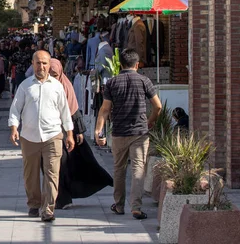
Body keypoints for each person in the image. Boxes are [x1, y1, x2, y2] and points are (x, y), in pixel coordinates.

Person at [95, 49, 162, 220]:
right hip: (140, 132)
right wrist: (151, 120)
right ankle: (136, 207)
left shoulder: (112, 83)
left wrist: (98, 130)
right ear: (137, 64)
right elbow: (158, 106)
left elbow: (105, 109)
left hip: (119, 132)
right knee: (138, 169)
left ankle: (118, 205)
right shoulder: (144, 81)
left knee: (119, 169)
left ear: (120, 64)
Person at [8, 50, 75, 222]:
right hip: (29, 137)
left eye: (45, 63)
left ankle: (48, 209)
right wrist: (14, 128)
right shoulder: (25, 86)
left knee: (52, 174)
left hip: (53, 135)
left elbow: (65, 111)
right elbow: (15, 109)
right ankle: (34, 203)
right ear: (33, 64)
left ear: (49, 65)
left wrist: (69, 134)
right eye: (38, 63)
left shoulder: (57, 86)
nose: (42, 66)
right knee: (30, 175)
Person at [49, 59, 113, 210]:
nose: (52, 77)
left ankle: (63, 198)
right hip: (48, 131)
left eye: (55, 74)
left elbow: (73, 109)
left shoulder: (66, 85)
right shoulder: (42, 86)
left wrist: (78, 132)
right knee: (53, 165)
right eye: (50, 74)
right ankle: (58, 198)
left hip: (65, 131)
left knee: (62, 165)